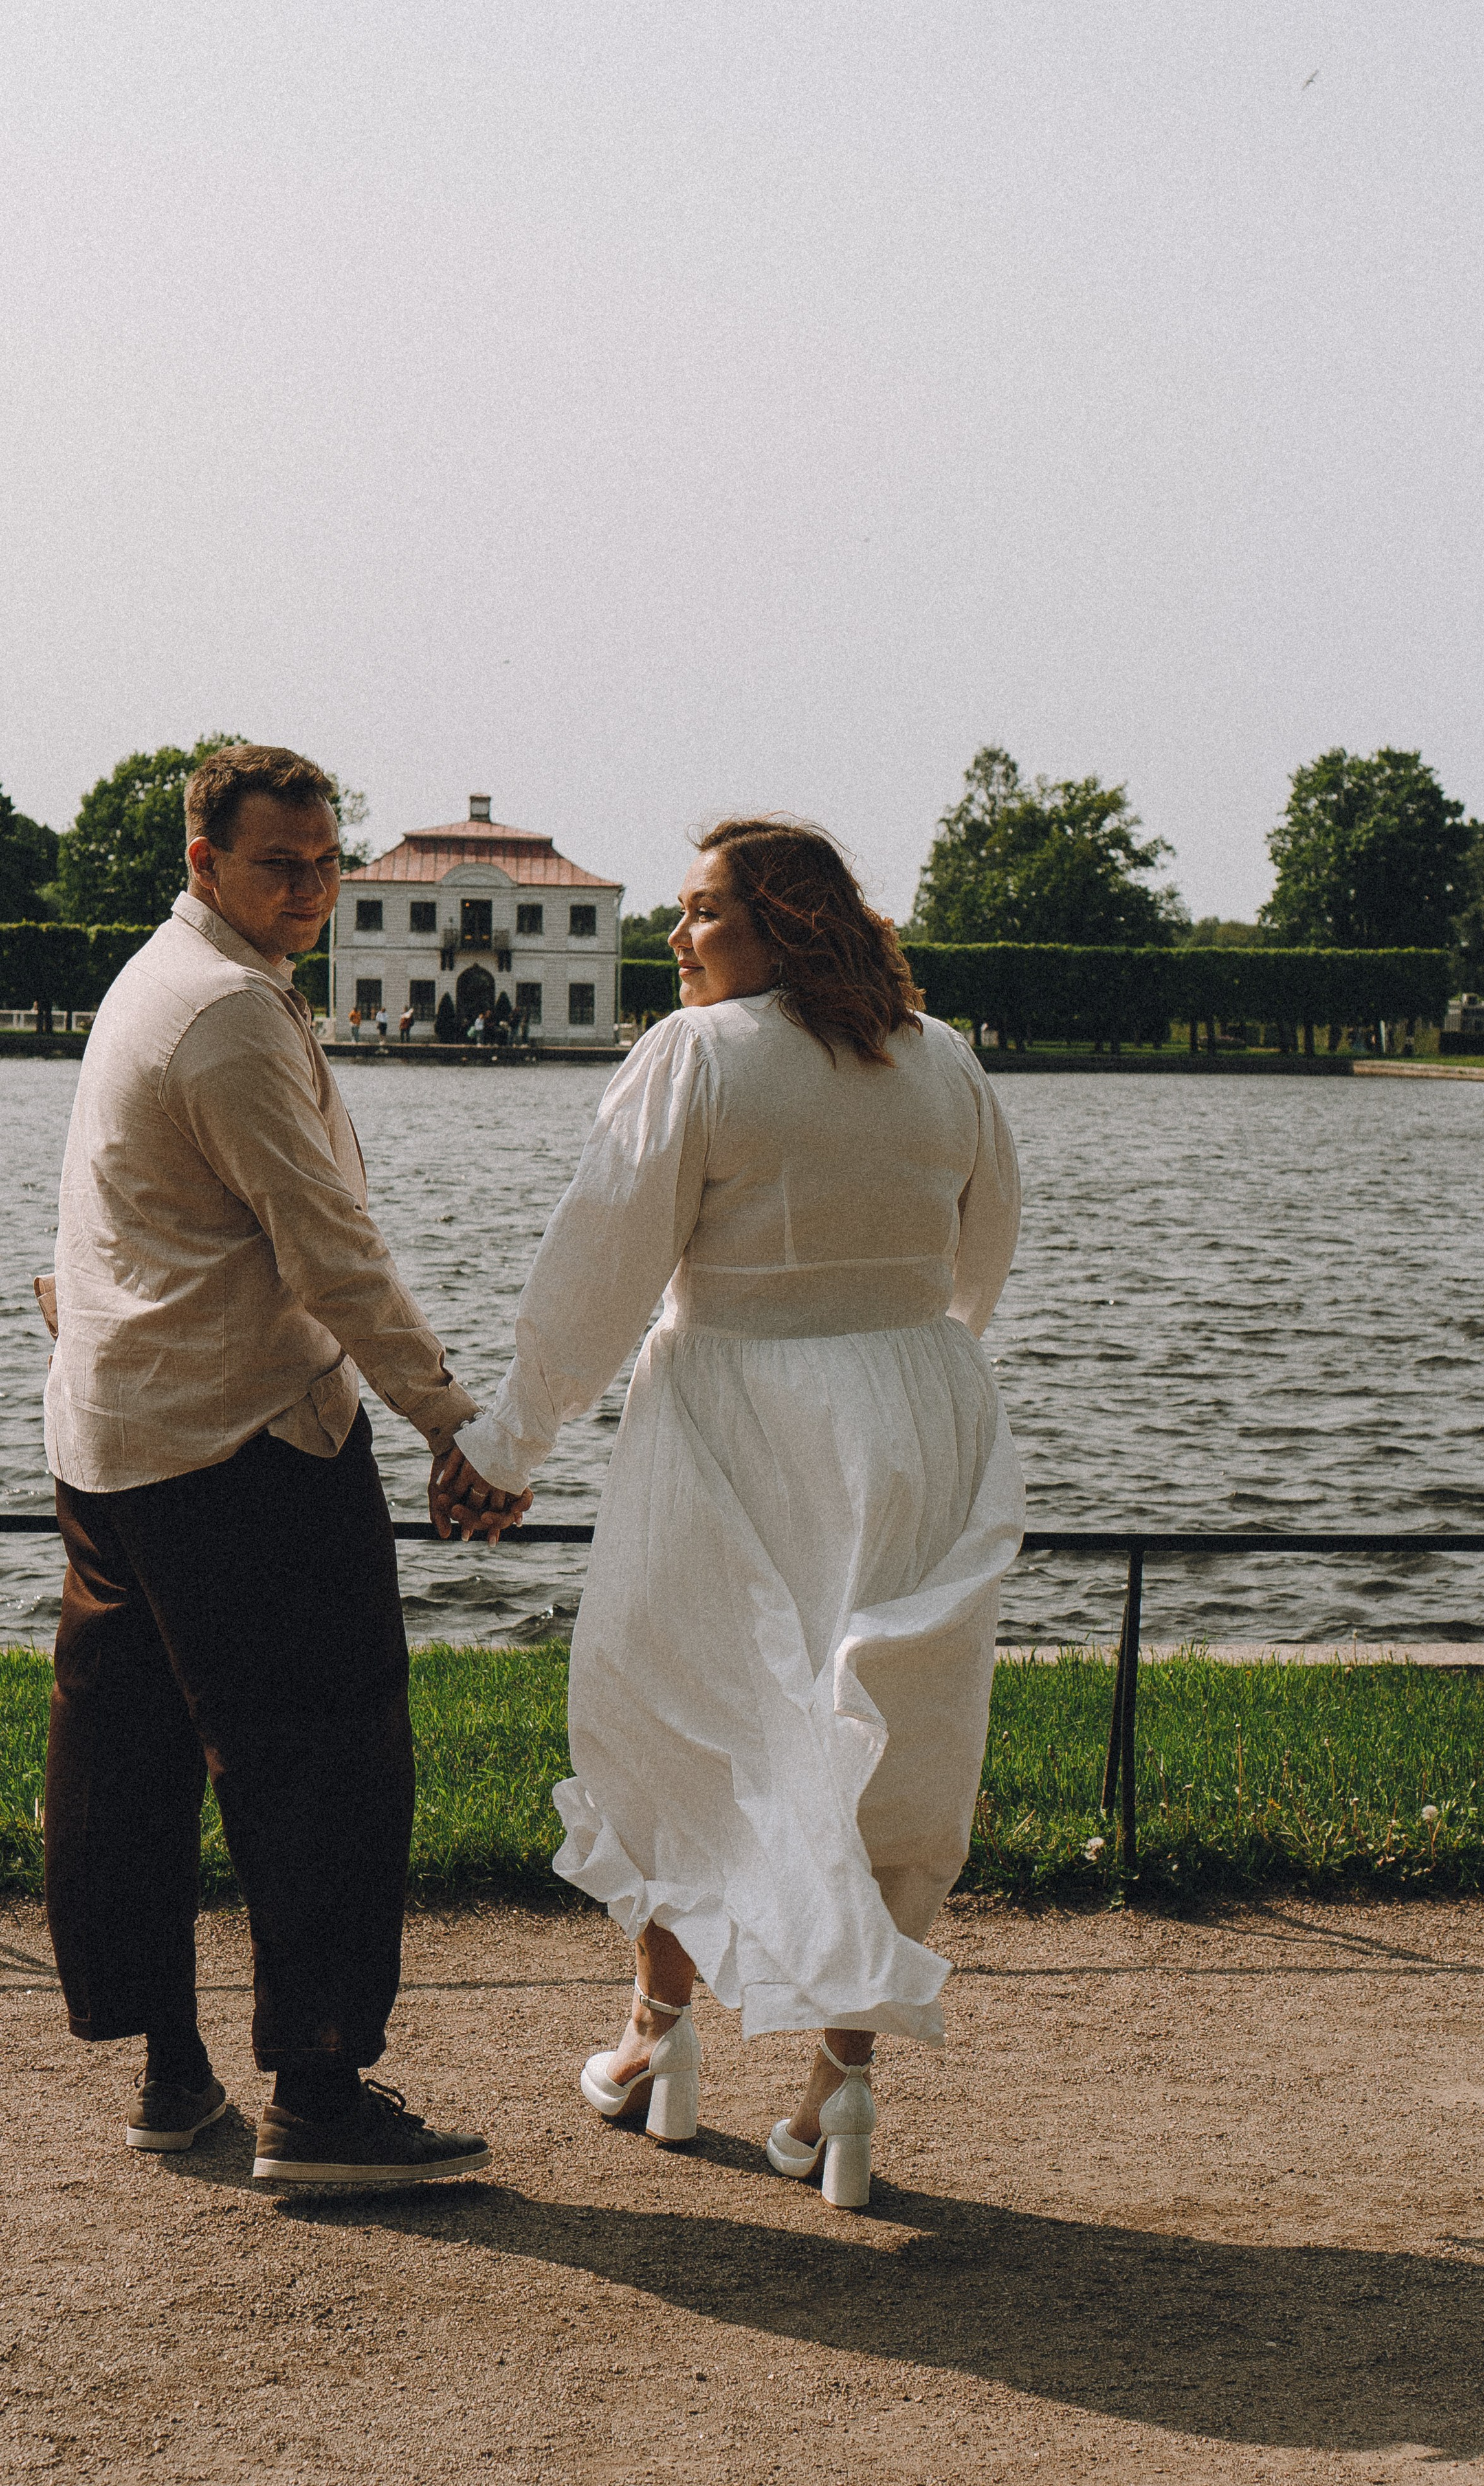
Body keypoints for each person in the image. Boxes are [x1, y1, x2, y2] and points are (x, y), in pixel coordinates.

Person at [434, 818, 1022, 2210]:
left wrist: (508, 1443)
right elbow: (981, 1252)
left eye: (701, 914)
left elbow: (597, 1267)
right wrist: (901, 1359)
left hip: (729, 1413)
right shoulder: (945, 1062)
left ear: (781, 924)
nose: (676, 940)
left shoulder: (696, 1057)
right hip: (920, 1410)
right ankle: (841, 2084)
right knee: (884, 1724)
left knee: (672, 1702)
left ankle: (657, 2036)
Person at [42, 742, 526, 2193]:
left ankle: (173, 2075)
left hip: (111, 1442)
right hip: (243, 1444)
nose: (309, 888)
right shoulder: (232, 1019)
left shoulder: (153, 983)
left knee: (129, 1766)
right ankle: (317, 2099)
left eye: (324, 862)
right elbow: (332, 1255)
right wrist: (454, 1423)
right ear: (203, 862)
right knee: (324, 1761)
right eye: (278, 864)